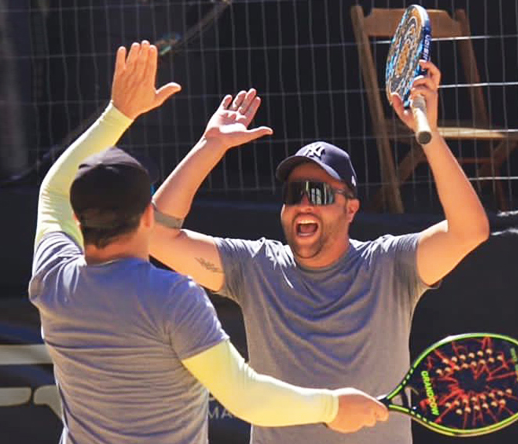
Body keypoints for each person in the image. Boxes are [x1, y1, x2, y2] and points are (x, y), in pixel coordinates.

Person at [28, 41, 388, 444]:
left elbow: (52, 193)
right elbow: (245, 397)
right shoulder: (171, 296)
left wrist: (118, 113)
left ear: (78, 220)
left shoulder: (52, 276)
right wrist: (333, 407)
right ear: (149, 215)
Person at [148, 59, 490, 444]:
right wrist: (210, 147)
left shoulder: (389, 264)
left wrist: (429, 135)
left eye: (320, 194)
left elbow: (469, 231)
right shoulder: (257, 267)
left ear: (351, 209)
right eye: (294, 194)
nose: (304, 205)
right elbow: (156, 237)